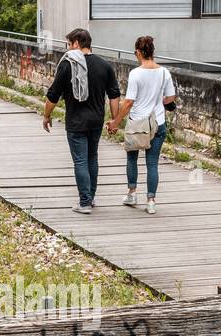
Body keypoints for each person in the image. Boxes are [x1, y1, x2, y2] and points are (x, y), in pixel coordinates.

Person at [43, 29, 121, 214]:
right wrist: (114, 119)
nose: (68, 48)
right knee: (92, 158)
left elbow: (53, 94)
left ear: (77, 43)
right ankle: (90, 198)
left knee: (80, 161)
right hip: (96, 120)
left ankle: (84, 202)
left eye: (69, 44)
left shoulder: (68, 64)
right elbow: (114, 95)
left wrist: (46, 115)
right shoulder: (104, 65)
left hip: (76, 121)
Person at [107, 36, 177, 215]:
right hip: (157, 123)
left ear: (138, 52)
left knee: (132, 159)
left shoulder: (136, 73)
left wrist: (115, 122)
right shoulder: (164, 73)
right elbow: (170, 98)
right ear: (152, 52)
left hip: (137, 124)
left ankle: (132, 194)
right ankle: (151, 201)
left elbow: (129, 102)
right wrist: (159, 102)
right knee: (152, 163)